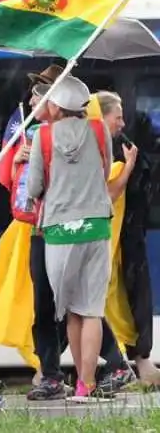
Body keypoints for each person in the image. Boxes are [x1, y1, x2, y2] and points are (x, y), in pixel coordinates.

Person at [26, 76, 113, 401]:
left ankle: (81, 381)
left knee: (69, 310)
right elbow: (103, 173)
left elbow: (34, 188)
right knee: (91, 309)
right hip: (96, 224)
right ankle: (85, 384)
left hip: (60, 230)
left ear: (57, 104)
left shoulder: (43, 136)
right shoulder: (98, 129)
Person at [94, 91, 159, 385]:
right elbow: (108, 194)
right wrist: (128, 167)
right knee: (83, 306)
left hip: (126, 239)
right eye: (117, 116)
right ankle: (49, 371)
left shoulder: (122, 144)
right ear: (101, 116)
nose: (122, 122)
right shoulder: (91, 149)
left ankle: (138, 362)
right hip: (100, 241)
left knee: (134, 299)